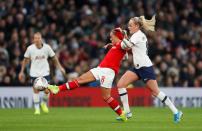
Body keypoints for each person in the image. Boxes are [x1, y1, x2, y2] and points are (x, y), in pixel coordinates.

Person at [48, 28, 128, 121]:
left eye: (111, 37)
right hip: (100, 68)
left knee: (106, 97)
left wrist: (122, 34)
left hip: (108, 72)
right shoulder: (116, 45)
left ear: (117, 36)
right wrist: (113, 44)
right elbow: (124, 54)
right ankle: (57, 88)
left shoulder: (121, 44)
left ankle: (122, 115)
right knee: (80, 79)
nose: (110, 39)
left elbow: (126, 51)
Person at [116, 15, 183, 123]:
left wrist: (121, 36)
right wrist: (123, 38)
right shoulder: (136, 35)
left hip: (145, 68)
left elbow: (127, 46)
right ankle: (127, 113)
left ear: (137, 26)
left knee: (155, 92)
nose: (128, 27)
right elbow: (127, 46)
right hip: (138, 67)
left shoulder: (137, 35)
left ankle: (176, 112)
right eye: (128, 25)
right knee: (120, 85)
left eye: (130, 25)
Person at [18, 32, 66, 115]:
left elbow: (54, 58)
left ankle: (43, 103)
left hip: (45, 71)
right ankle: (37, 109)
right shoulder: (30, 48)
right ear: (33, 39)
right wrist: (21, 72)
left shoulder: (47, 48)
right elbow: (25, 60)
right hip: (34, 72)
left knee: (47, 90)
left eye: (38, 38)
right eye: (35, 38)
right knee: (36, 90)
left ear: (41, 39)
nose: (37, 40)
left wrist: (60, 67)